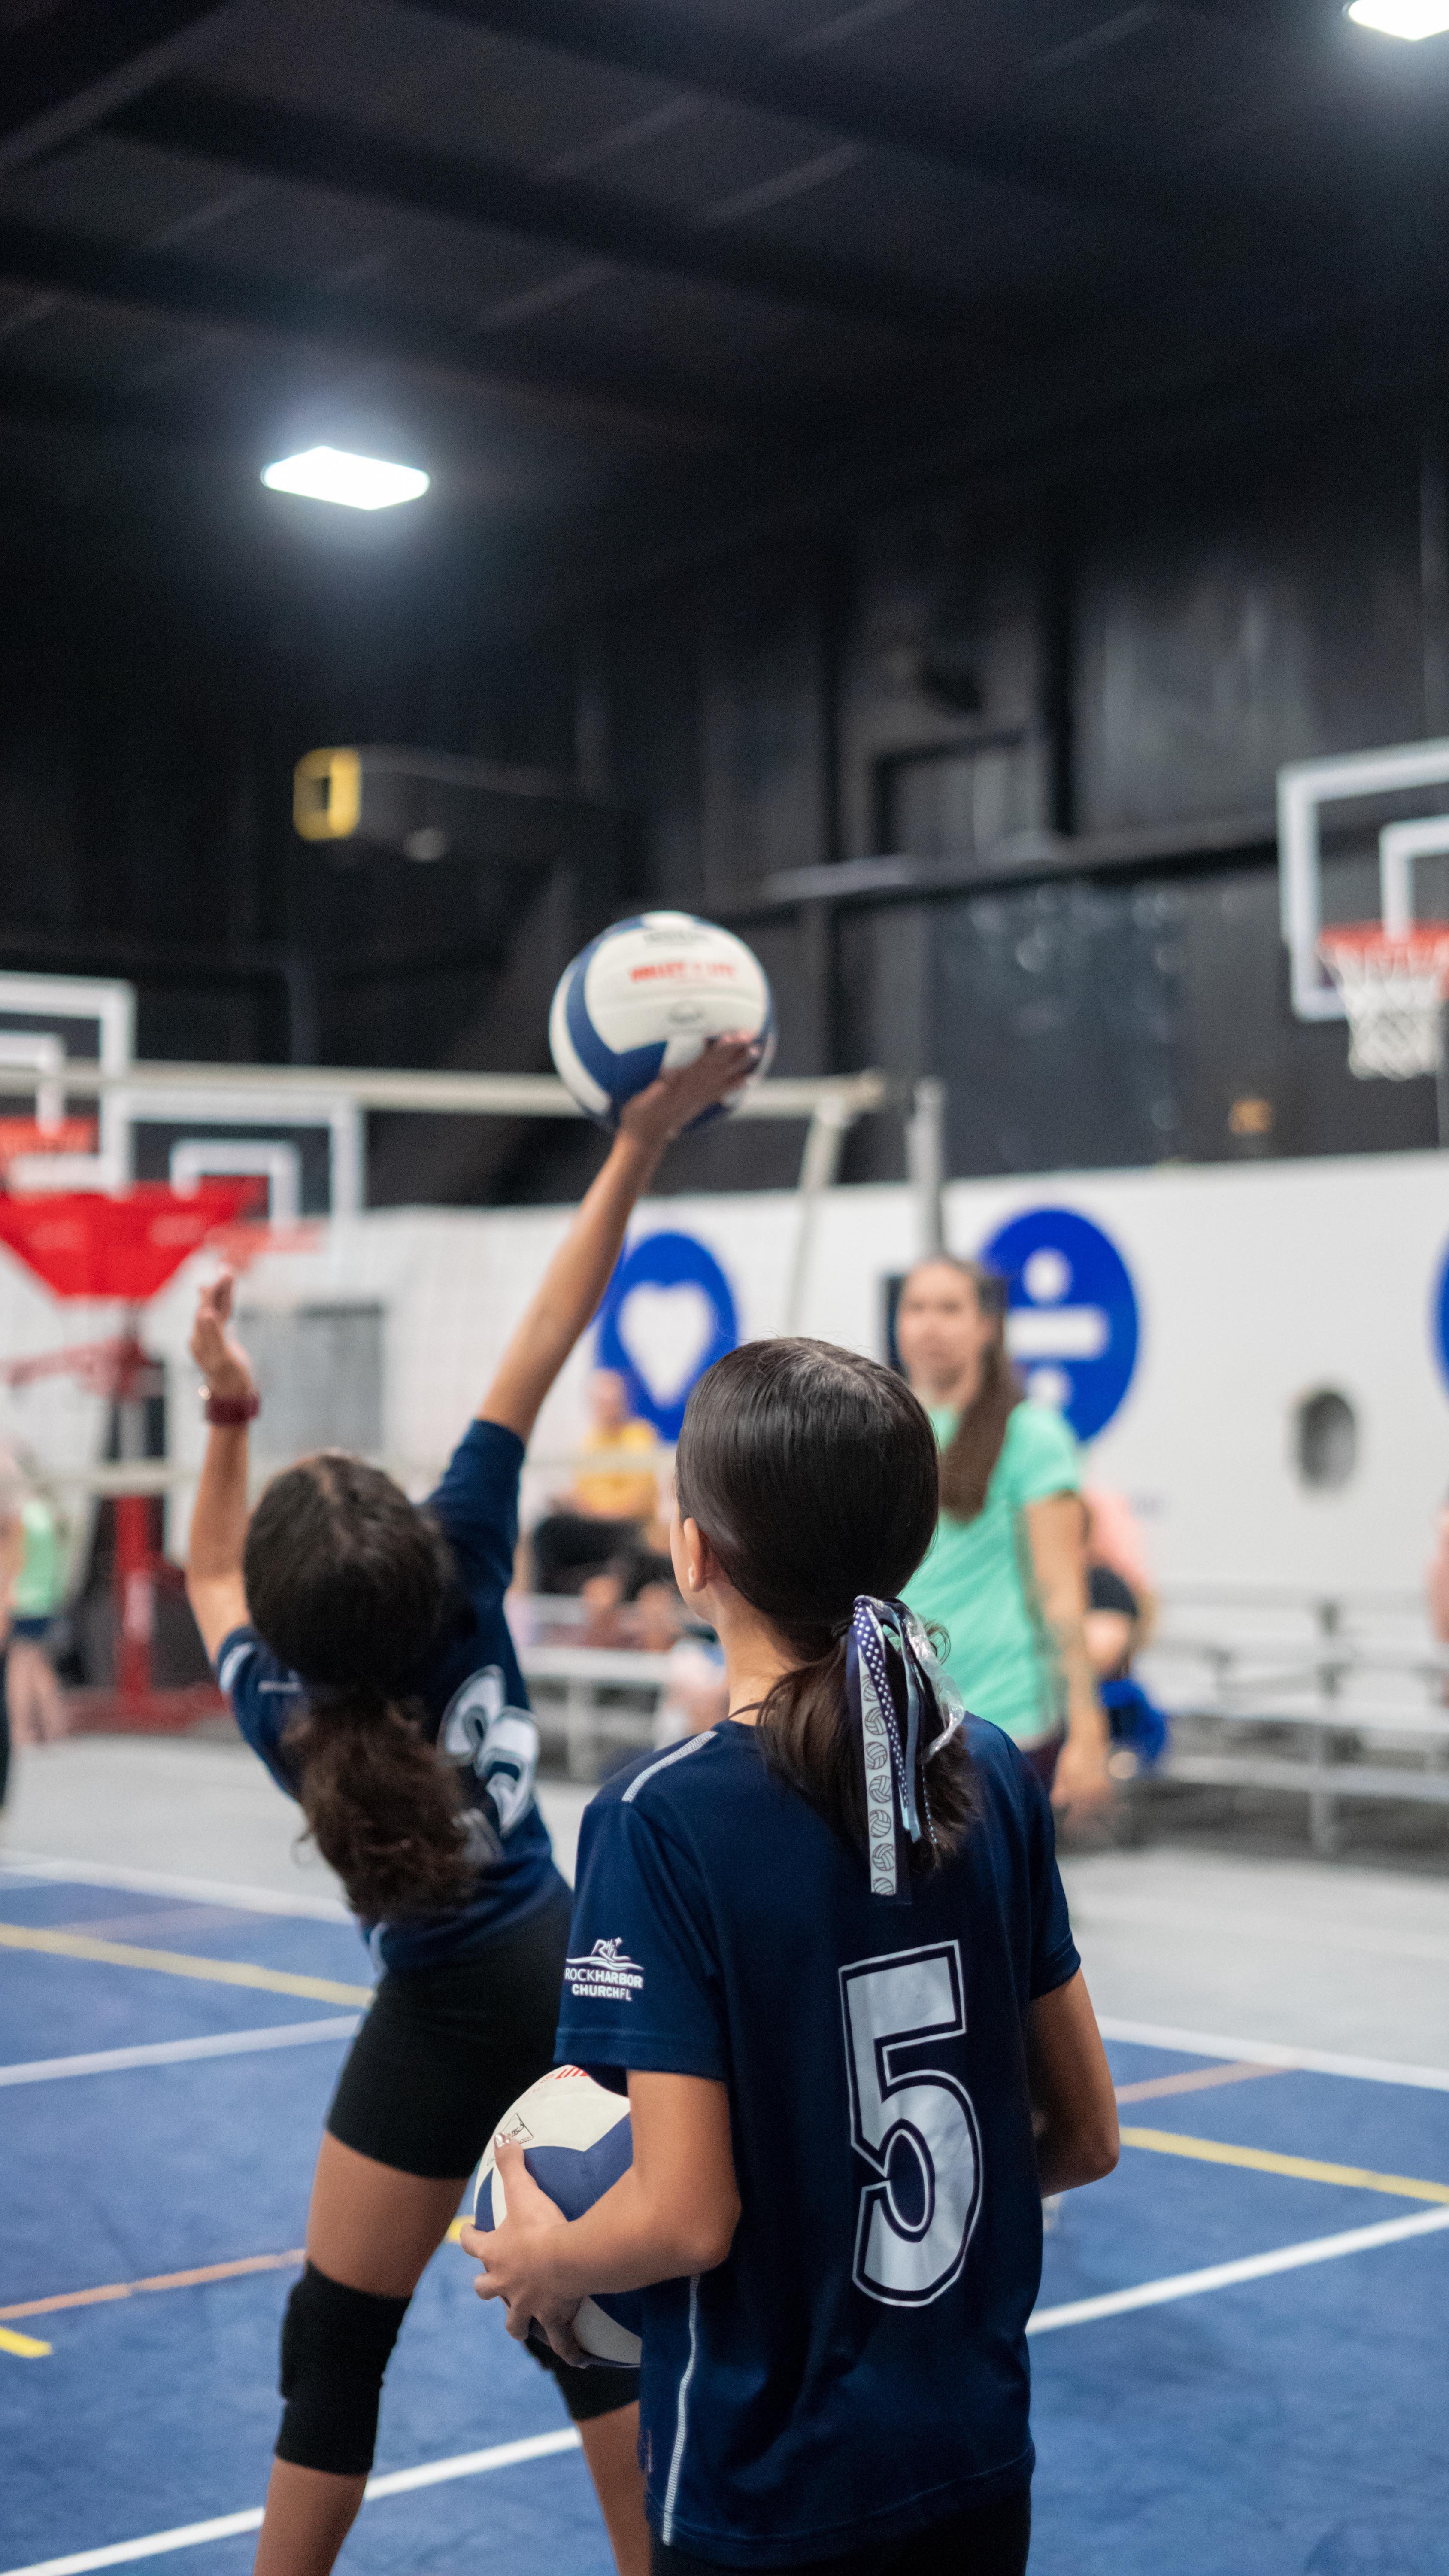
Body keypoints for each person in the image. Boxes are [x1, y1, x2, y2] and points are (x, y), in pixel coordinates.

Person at [184, 1035, 759, 2576]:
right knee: (597, 2340)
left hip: (437, 2013)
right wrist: (634, 1139)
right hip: (581, 1982)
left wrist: (227, 1416)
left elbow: (203, 1572)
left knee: (334, 2344)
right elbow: (549, 1317)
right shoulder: (460, 1550)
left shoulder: (284, 1710)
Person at [462, 1337, 1119, 2573]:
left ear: (694, 1551)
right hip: (976, 2456)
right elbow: (1085, 2137)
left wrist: (544, 2259)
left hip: (772, 2488)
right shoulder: (985, 1775)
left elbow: (688, 2217)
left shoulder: (662, 1819)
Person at [894, 1257, 1110, 1816]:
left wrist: (1087, 1730)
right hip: (902, 1723)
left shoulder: (1031, 1435)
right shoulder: (885, 1428)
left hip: (1002, 1720)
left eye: (950, 1309)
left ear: (987, 1327)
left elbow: (1062, 1591)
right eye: (916, 1308)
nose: (930, 1325)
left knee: (996, 1903)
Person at [531, 1370, 662, 1594]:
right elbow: (582, 1491)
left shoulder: (639, 1436)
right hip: (595, 1525)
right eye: (601, 1402)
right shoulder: (591, 1442)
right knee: (547, 1530)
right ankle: (551, 1604)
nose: (607, 1408)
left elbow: (639, 1503)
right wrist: (569, 1502)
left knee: (627, 1540)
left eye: (612, 1401)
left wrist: (592, 1508)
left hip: (625, 1527)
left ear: (624, 1402)